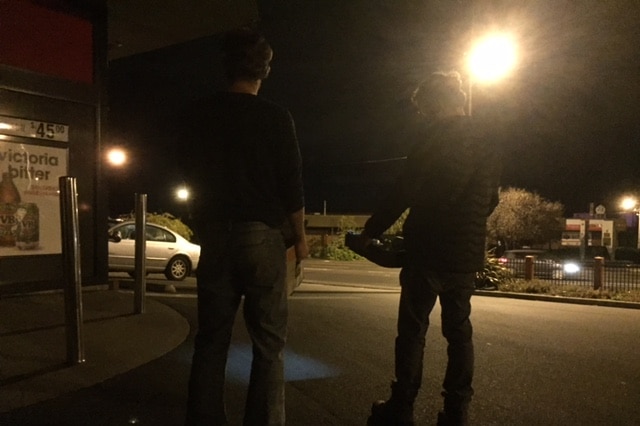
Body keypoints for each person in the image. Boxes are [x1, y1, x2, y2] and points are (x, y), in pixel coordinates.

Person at [183, 27, 308, 426]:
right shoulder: (276, 117)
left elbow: (188, 174)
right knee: (269, 344)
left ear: (226, 67)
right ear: (265, 70)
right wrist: (301, 239)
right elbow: (292, 183)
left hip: (218, 235)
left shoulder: (200, 114)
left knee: (211, 340)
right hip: (263, 235)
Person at [362, 71, 501, 426]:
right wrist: (467, 224)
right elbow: (491, 199)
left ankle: (401, 407)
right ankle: (456, 413)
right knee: (459, 333)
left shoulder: (431, 140)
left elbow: (403, 191)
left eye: (425, 110)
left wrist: (370, 231)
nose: (424, 116)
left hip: (427, 249)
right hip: (465, 255)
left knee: (412, 331)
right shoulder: (487, 139)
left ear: (436, 105)